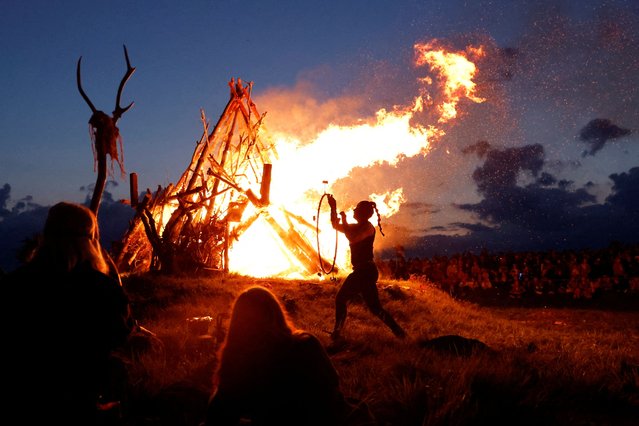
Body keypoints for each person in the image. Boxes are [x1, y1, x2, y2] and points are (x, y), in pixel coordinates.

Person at [3, 202, 133, 425]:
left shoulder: (17, 283)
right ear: (89, 241)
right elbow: (120, 334)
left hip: (21, 397)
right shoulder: (102, 288)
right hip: (80, 398)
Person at [204, 286, 364, 426]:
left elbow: (218, 415)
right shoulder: (307, 343)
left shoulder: (244, 365)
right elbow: (333, 382)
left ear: (237, 326)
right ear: (277, 314)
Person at [327, 195, 406, 340]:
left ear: (363, 213)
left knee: (341, 299)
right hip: (364, 271)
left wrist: (343, 220)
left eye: (356, 209)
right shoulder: (357, 226)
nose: (353, 211)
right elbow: (335, 226)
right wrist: (333, 207)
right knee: (375, 308)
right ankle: (400, 333)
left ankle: (337, 333)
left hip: (365, 271)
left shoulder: (368, 227)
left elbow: (352, 237)